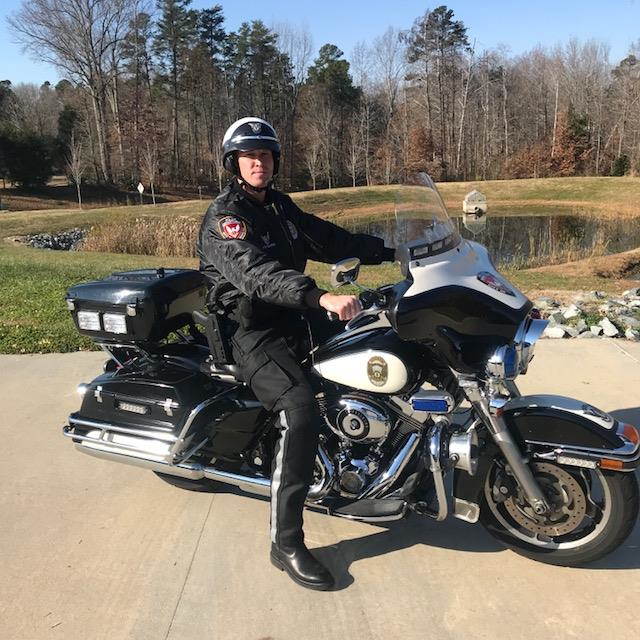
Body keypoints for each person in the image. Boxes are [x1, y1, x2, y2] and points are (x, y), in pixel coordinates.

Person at [197, 117, 395, 590]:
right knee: (300, 409)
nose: (258, 162)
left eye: (265, 154)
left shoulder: (281, 208)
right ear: (234, 163)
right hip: (250, 329)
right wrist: (319, 297)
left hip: (292, 315)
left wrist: (396, 251)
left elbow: (330, 239)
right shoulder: (226, 218)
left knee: (372, 339)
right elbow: (256, 274)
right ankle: (285, 543)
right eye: (249, 155)